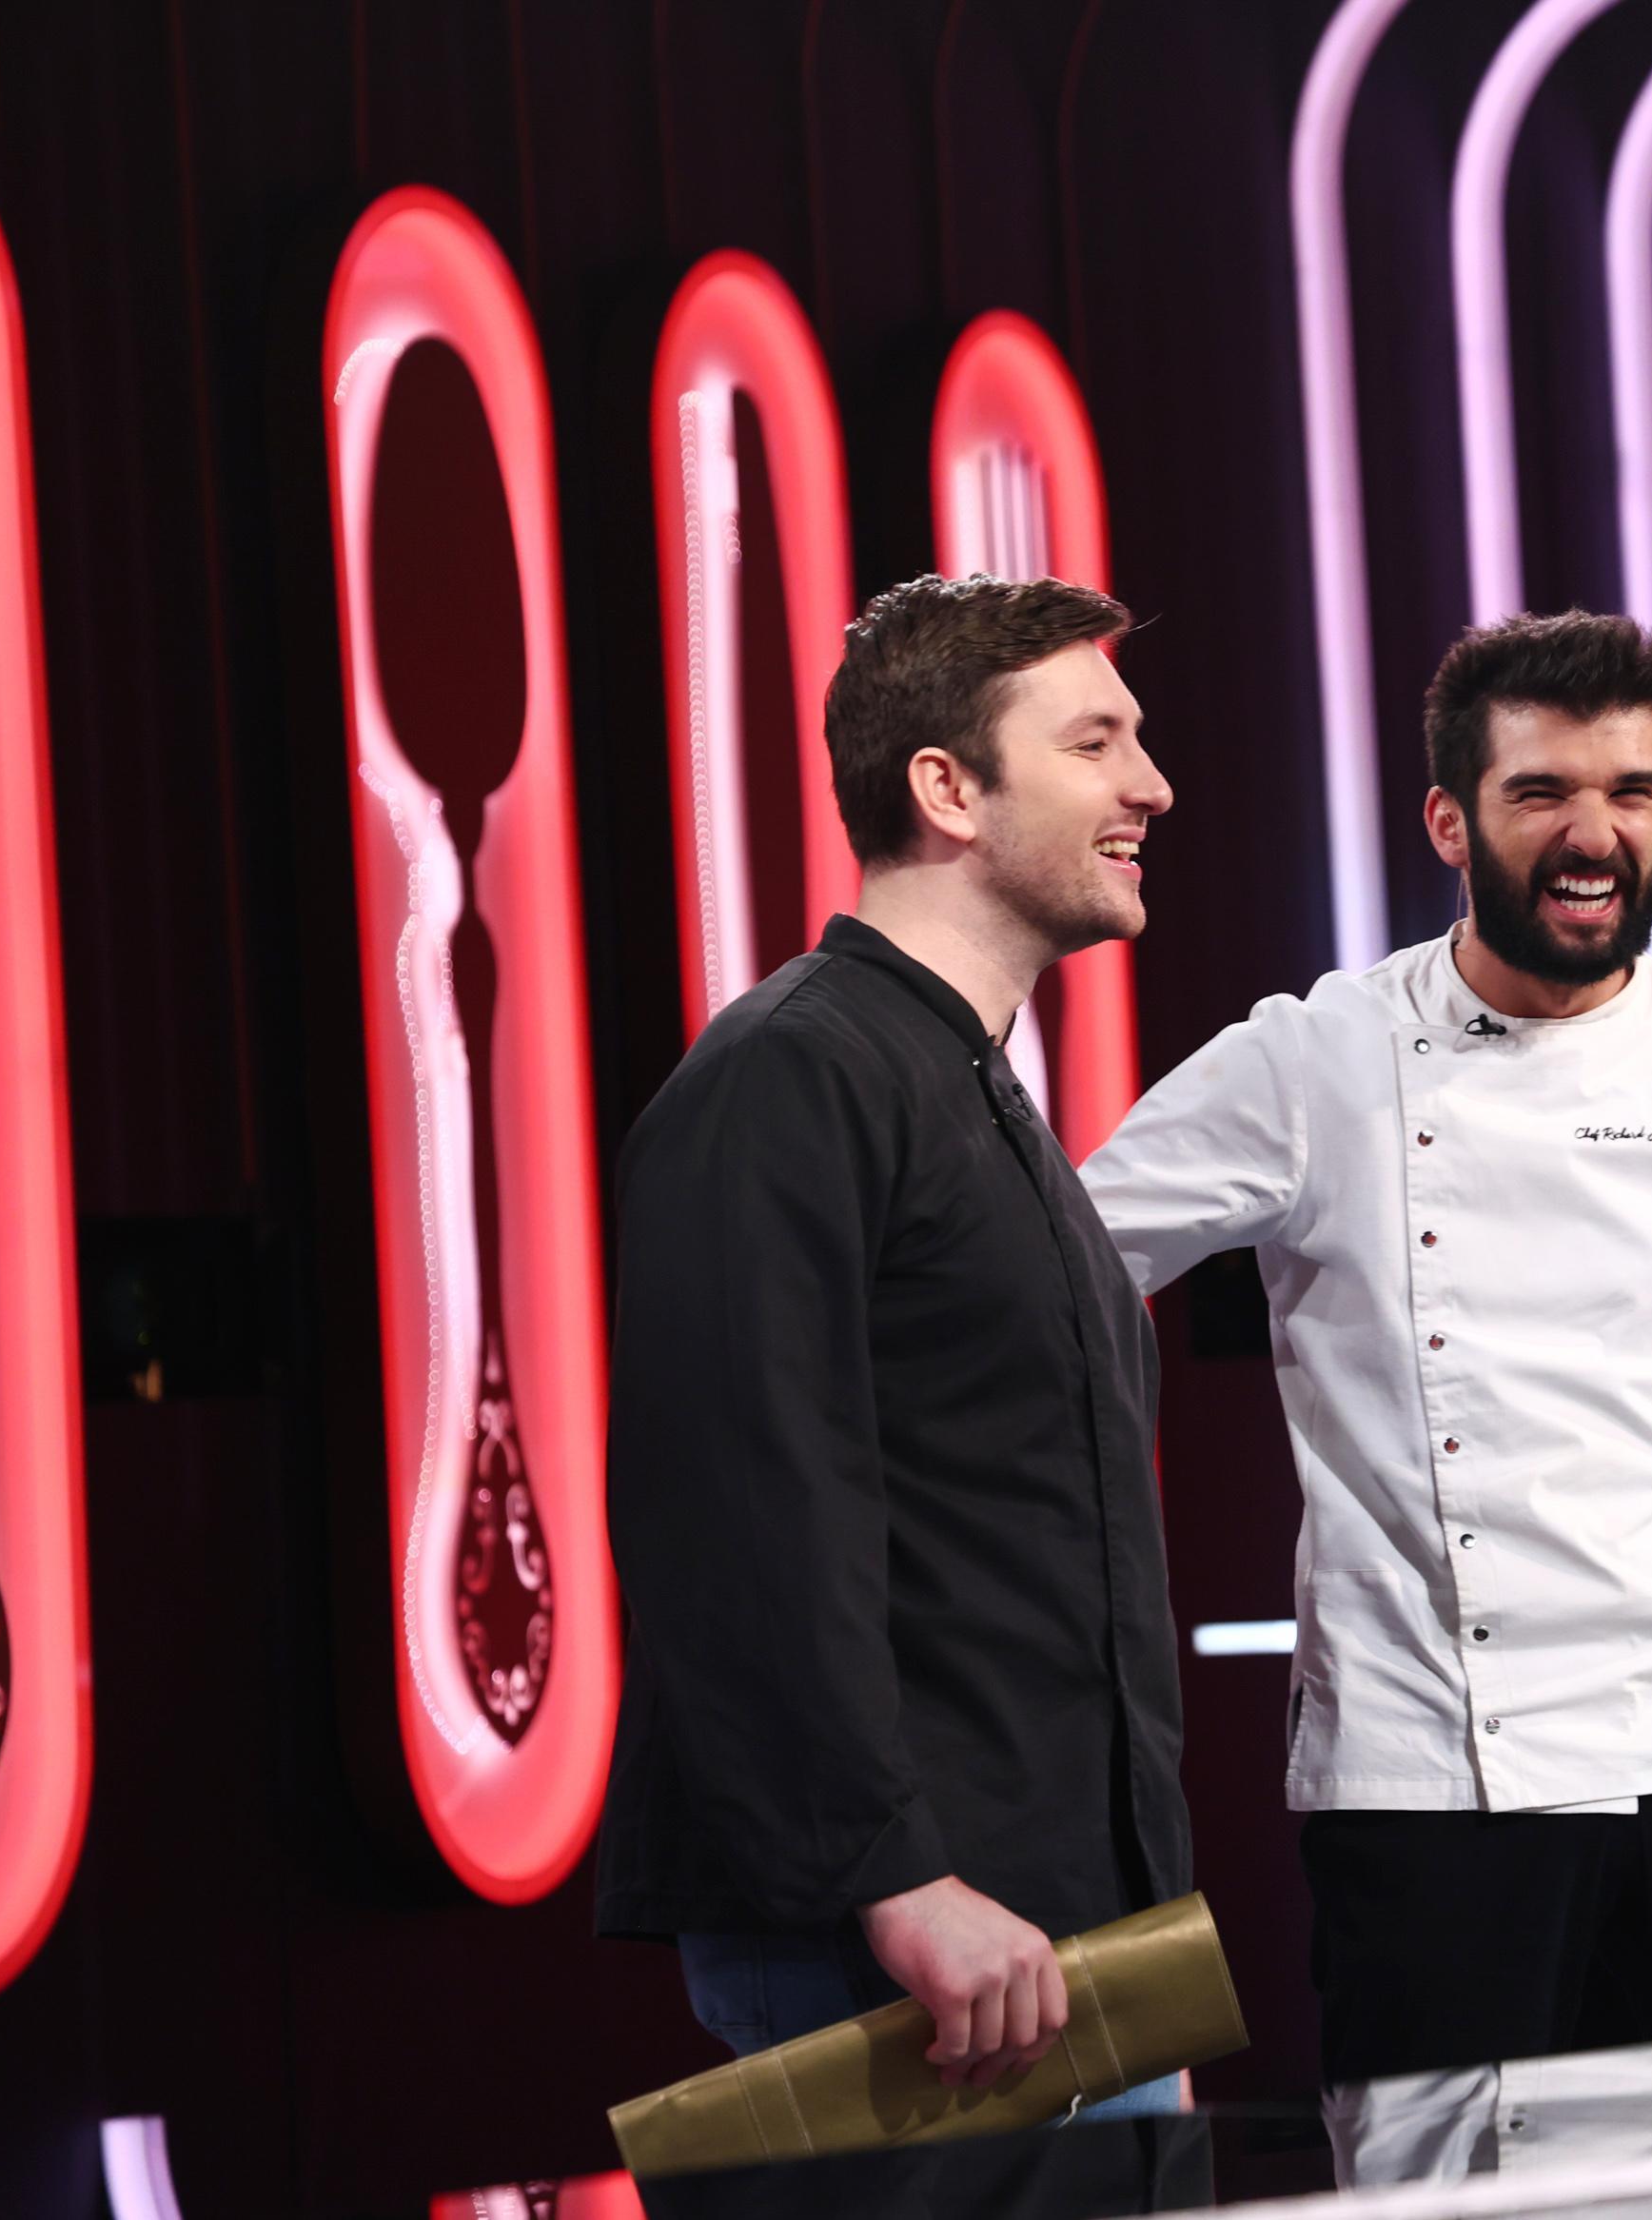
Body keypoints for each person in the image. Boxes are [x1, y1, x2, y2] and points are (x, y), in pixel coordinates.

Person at [1080, 612, 1652, 2082]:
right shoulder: (1318, 1058)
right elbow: (1058, 1256)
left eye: (1633, 791)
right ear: (1450, 821)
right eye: (1542, 792)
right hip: (1438, 1804)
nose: (1594, 833)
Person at [598, 574, 1188, 2114]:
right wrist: (895, 1875)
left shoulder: (970, 1090)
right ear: (948, 789)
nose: (1150, 785)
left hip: (1079, 1931)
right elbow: (739, 1515)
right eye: (1095, 743)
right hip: (915, 1950)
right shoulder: (791, 1074)